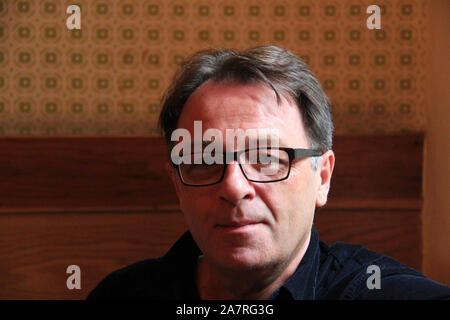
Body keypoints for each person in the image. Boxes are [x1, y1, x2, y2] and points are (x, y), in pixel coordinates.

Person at [87, 46, 449, 300]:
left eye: (267, 157)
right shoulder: (121, 293)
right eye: (204, 159)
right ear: (178, 185)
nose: (233, 185)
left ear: (321, 177)